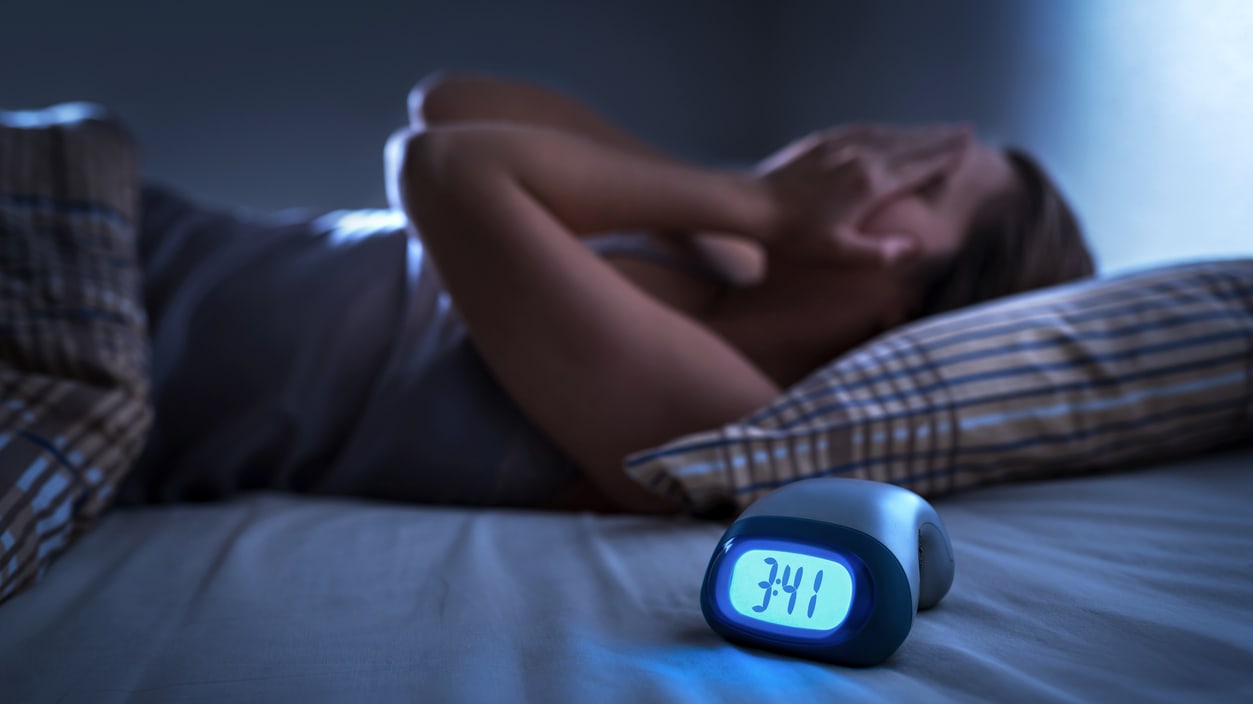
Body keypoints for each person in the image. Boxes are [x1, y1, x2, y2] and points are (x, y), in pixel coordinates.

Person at [120, 71, 1094, 516]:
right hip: (132, 235)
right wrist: (756, 205)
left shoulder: (730, 418)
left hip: (119, 344)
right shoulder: (724, 250)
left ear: (917, 307)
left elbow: (445, 166)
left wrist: (757, 200)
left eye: (921, 182)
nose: (876, 150)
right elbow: (456, 99)